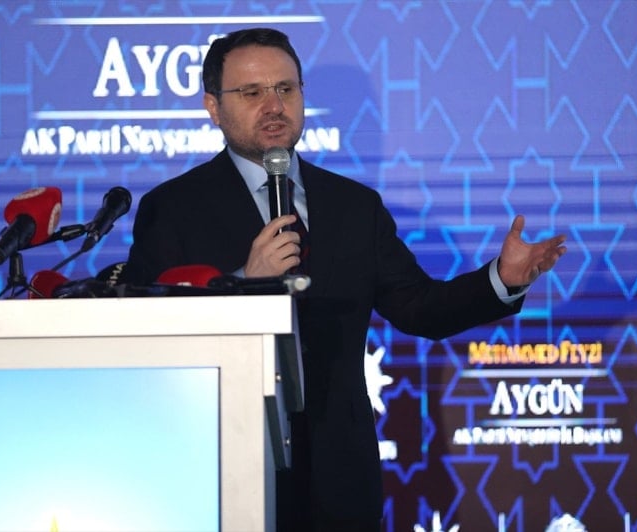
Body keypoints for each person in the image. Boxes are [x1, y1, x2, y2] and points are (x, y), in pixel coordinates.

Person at [121, 27, 566, 532]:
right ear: (213, 107)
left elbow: (420, 307)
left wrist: (501, 279)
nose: (274, 106)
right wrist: (246, 282)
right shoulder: (173, 209)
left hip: (338, 477)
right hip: (219, 469)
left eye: (285, 89)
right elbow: (152, 334)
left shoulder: (354, 206)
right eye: (251, 92)